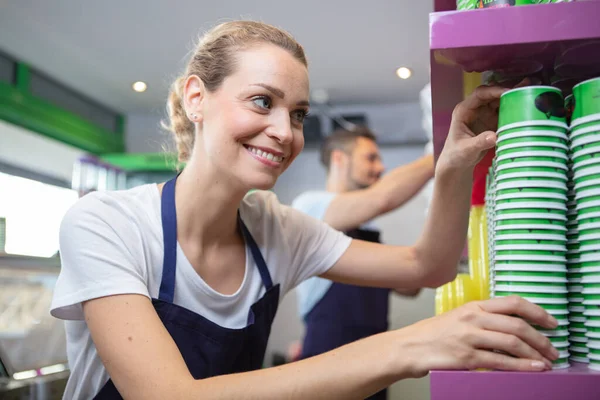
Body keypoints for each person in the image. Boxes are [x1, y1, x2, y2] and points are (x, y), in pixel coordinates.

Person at [50, 20, 559, 400]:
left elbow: (428, 267)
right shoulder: (106, 223)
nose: (284, 131)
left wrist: (451, 165)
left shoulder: (277, 230)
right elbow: (166, 396)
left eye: (297, 114)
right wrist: (409, 347)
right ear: (195, 98)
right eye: (261, 101)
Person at [292, 126, 434, 399]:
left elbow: (411, 285)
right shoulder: (309, 208)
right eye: (370, 158)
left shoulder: (365, 229)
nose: (380, 167)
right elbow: (382, 198)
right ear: (339, 159)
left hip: (375, 372)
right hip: (326, 372)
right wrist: (442, 155)